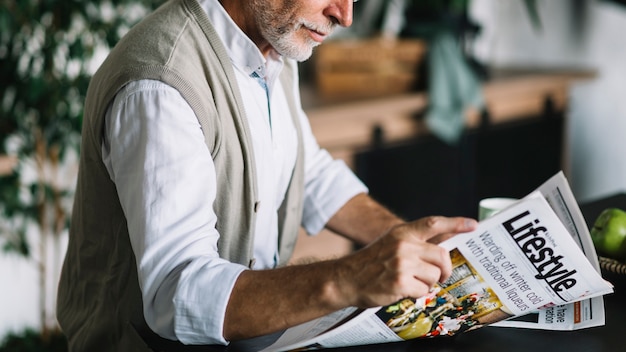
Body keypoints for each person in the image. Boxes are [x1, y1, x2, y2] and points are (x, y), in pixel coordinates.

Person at [56, 0, 478, 350]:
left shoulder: (274, 42)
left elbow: (309, 173)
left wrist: (410, 243)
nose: (345, 15)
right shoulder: (160, 85)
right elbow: (177, 291)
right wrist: (353, 277)